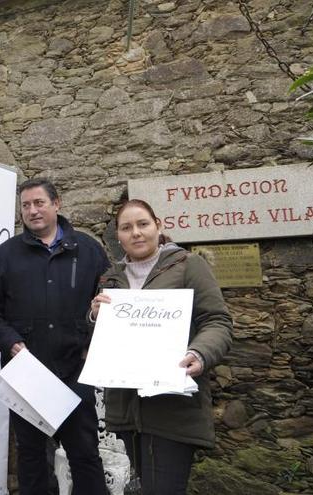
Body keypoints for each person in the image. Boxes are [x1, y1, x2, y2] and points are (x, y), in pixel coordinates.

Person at [89, 199, 233, 495]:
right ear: (118, 235)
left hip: (173, 408)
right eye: (127, 228)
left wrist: (199, 353)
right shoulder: (111, 278)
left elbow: (217, 321)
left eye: (143, 224)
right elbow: (103, 339)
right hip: (126, 410)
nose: (136, 233)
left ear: (159, 226)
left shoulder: (188, 265)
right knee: (141, 487)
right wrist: (94, 316)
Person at [0, 178, 109, 495]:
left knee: (85, 455)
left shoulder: (89, 249)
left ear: (56, 204)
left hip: (76, 370)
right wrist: (11, 342)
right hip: (27, 372)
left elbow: (110, 303)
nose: (33, 210)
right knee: (31, 457)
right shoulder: (7, 254)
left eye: (39, 203)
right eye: (26, 205)